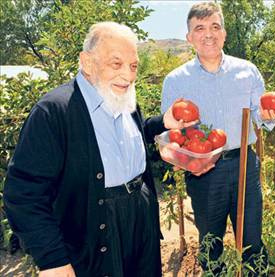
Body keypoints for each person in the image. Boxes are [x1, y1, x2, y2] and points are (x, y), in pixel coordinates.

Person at [3, 22, 190, 277]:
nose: (128, 75)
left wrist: (161, 124)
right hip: (97, 226)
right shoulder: (54, 111)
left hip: (140, 217)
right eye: (116, 64)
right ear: (87, 62)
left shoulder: (123, 99)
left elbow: (124, 138)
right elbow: (23, 193)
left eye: (133, 65)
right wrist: (52, 259)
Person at [161, 2, 275, 276]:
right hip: (203, 171)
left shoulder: (247, 71)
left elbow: (263, 117)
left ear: (224, 33)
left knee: (252, 239)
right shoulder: (175, 80)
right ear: (189, 37)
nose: (209, 34)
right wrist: (181, 155)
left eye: (215, 27)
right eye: (200, 28)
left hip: (243, 164)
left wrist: (268, 113)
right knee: (210, 242)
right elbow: (171, 134)